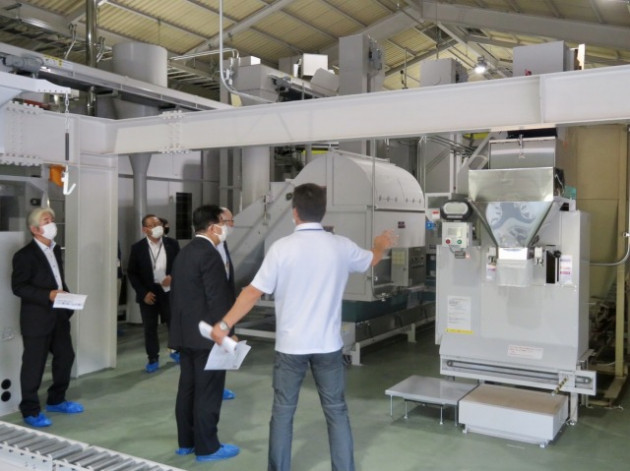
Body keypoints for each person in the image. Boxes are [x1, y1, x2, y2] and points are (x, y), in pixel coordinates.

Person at [211, 183, 397, 471]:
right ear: (323, 211)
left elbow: (252, 292)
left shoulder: (281, 249)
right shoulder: (341, 246)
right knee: (337, 412)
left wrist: (225, 324)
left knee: (283, 414)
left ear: (294, 212)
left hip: (291, 347)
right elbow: (371, 259)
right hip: (328, 346)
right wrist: (380, 245)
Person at [169, 204, 240, 462]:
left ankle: (186, 442)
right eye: (223, 224)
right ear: (212, 227)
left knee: (188, 389)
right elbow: (216, 299)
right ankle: (208, 448)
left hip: (185, 335)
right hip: (208, 337)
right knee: (208, 392)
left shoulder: (184, 252)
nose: (225, 229)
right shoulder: (210, 255)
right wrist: (226, 331)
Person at [11, 207, 84, 428]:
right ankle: (30, 410)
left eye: (52, 219)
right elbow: (19, 287)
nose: (52, 224)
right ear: (34, 229)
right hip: (36, 319)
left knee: (66, 357)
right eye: (46, 221)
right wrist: (48, 295)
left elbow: (57, 280)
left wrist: (68, 301)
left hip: (59, 316)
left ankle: (56, 400)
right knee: (34, 365)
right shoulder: (24, 256)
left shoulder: (55, 249)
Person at [127, 214, 180, 372]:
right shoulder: (138, 248)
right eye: (153, 225)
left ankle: (175, 350)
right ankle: (152, 358)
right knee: (150, 328)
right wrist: (143, 293)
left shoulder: (172, 244)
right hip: (148, 292)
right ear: (145, 229)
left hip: (168, 290)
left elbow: (180, 265)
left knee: (174, 323)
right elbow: (132, 273)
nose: (158, 227)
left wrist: (173, 277)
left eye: (159, 224)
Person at [218, 207, 236, 401]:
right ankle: (213, 387)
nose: (232, 225)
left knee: (222, 350)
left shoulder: (223, 244)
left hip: (225, 308)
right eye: (229, 222)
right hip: (213, 312)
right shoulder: (207, 249)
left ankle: (219, 385)